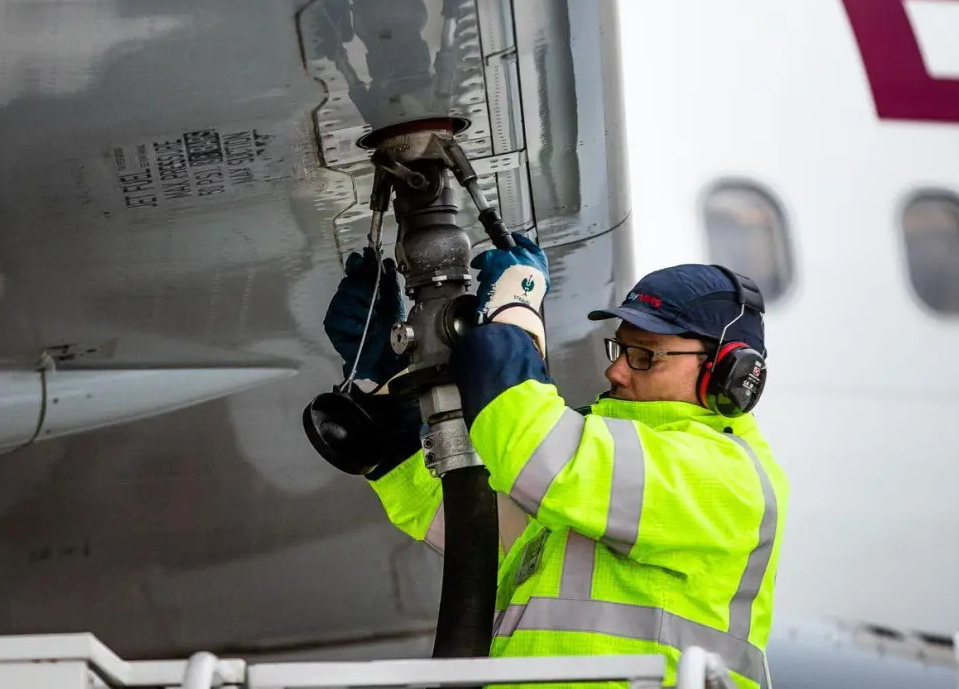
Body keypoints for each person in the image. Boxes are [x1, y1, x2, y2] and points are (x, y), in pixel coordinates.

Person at [319, 235, 789, 689]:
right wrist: (389, 390)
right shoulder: (600, 486)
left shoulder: (729, 477)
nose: (616, 370)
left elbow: (542, 455)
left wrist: (514, 315)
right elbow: (471, 528)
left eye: (645, 356)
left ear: (730, 374)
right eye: (621, 349)